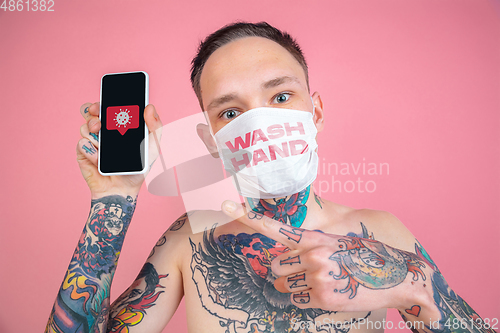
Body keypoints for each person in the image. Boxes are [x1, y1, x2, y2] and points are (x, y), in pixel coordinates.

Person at [45, 22, 495, 333]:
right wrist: (113, 200)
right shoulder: (189, 243)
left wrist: (412, 286)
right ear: (210, 139)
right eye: (231, 111)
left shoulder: (379, 231)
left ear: (314, 112)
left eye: (280, 95)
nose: (259, 125)